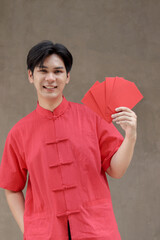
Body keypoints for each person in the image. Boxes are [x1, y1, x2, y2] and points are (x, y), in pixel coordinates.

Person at [0, 40, 137, 240]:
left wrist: (130, 137)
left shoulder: (92, 117)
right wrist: (29, 230)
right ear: (30, 76)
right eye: (43, 71)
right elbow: (11, 188)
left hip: (96, 230)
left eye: (57, 71)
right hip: (47, 234)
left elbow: (116, 170)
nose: (50, 78)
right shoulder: (18, 133)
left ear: (68, 76)